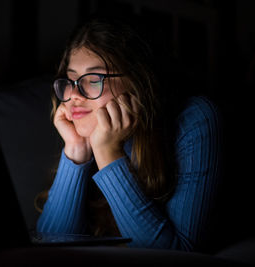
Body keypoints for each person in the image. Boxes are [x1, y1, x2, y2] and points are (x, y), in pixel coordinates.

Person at [35, 16, 222, 252]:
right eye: (71, 80)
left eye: (93, 80)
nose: (74, 95)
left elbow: (178, 258)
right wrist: (76, 150)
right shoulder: (87, 128)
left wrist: (108, 153)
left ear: (138, 83)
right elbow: (48, 252)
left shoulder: (196, 120)